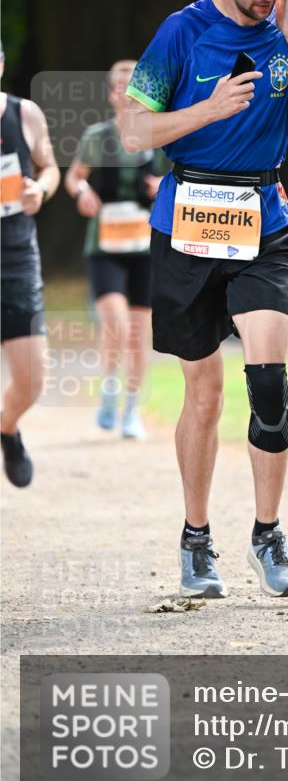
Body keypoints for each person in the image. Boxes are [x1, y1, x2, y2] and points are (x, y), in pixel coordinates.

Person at [121, 0, 288, 598]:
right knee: (206, 395)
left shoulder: (286, 33)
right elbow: (132, 131)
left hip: (264, 221)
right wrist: (206, 112)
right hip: (189, 220)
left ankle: (268, 534)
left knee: (268, 384)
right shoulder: (180, 32)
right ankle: (196, 539)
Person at [65, 60, 166, 439]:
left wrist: (163, 185)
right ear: (110, 94)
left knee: (138, 333)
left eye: (133, 85)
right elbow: (74, 176)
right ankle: (109, 387)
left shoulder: (160, 135)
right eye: (119, 86)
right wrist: (82, 191)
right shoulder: (98, 136)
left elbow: (182, 176)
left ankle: (131, 411)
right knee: (116, 325)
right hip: (105, 245)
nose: (126, 93)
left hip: (144, 247)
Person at [1, 42, 60, 486]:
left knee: (32, 380)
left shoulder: (25, 114)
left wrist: (40, 189)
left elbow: (50, 168)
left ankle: (7, 425)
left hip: (17, 255)